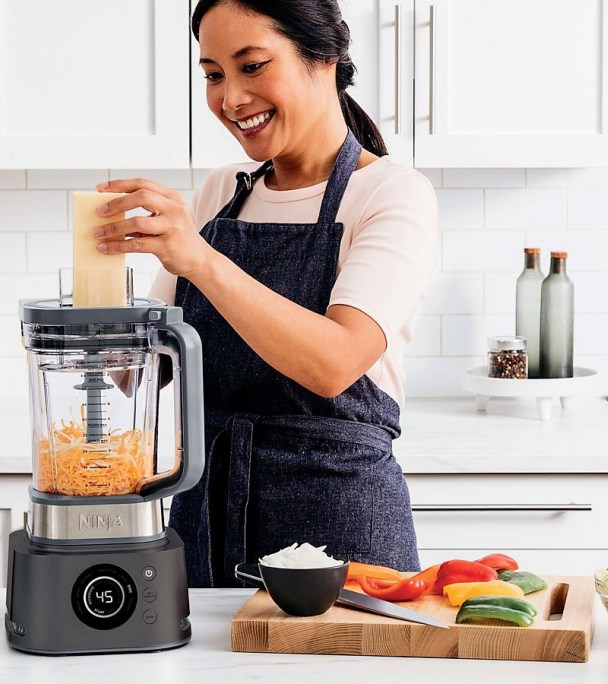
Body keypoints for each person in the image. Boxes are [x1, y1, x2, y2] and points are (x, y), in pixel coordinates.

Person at [93, 0, 438, 587]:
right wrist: (94, 298)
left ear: (323, 59)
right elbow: (142, 375)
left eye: (252, 66)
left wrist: (200, 258)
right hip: (206, 513)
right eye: (213, 74)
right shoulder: (222, 192)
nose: (230, 98)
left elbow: (333, 363)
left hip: (338, 525)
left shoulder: (390, 194)